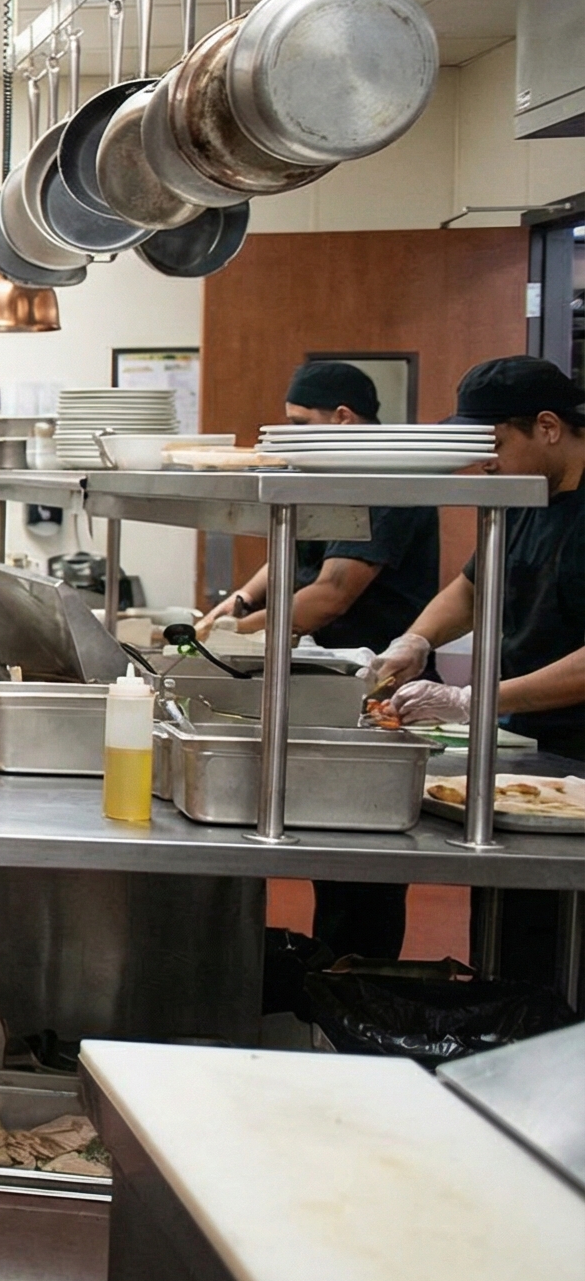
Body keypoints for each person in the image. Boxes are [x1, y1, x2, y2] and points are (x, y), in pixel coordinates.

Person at [194, 360, 442, 961]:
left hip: (377, 690)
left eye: (301, 423)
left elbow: (330, 593)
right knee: (328, 856)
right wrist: (235, 604)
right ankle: (328, 983)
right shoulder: (327, 473)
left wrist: (242, 634)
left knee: (363, 869)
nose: (290, 434)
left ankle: (359, 996)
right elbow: (292, 554)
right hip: (327, 690)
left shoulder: (385, 482)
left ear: (343, 419)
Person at [374, 355, 585, 987]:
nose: (484, 463)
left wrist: (475, 699)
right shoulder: (524, 496)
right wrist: (414, 639)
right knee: (516, 941)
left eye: (492, 444)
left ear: (547, 426)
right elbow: (472, 587)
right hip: (534, 751)